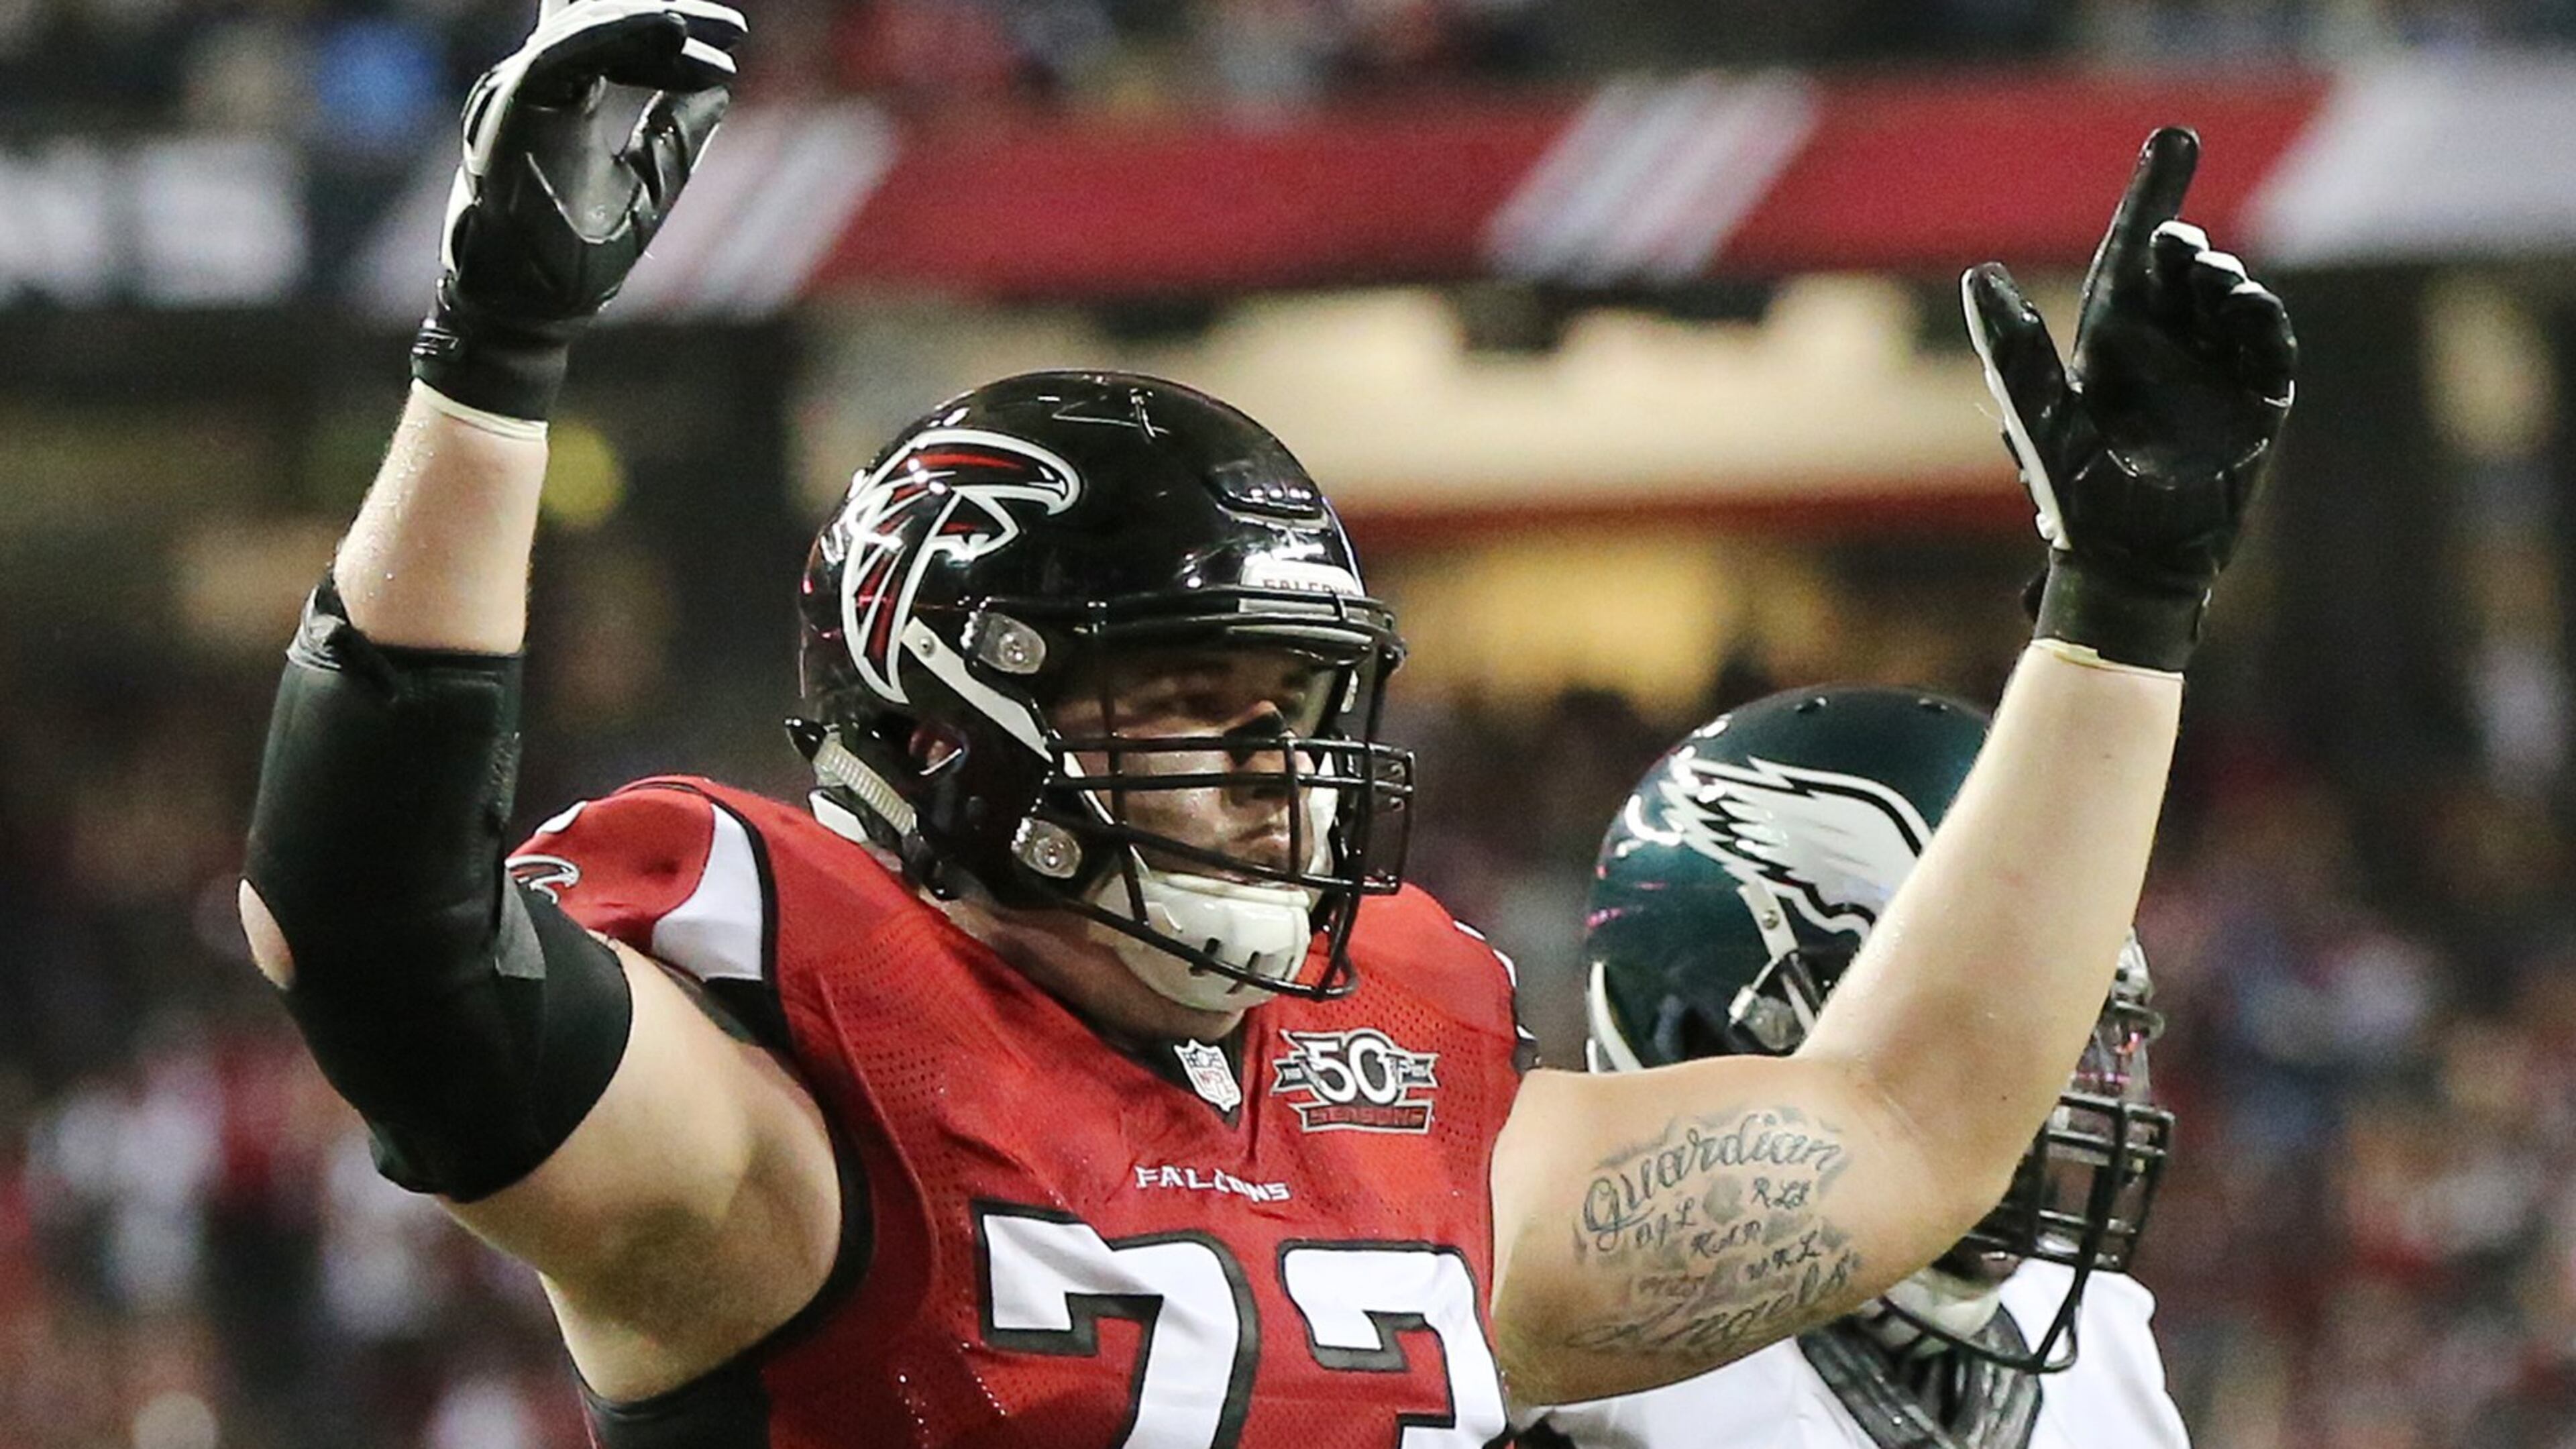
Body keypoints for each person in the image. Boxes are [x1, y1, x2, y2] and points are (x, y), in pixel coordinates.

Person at [233, 1, 2296, 1440]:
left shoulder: (1401, 1116)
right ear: (950, 725)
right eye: (1186, 703)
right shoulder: (794, 1106)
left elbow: (1912, 1129)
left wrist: (2116, 612)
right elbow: (381, 942)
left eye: (1291, 706)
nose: (1270, 771)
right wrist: (490, 364)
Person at [1521, 686, 2188, 1449]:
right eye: (1958, 1036)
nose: (2036, 1088)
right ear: (1706, 1036)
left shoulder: (2097, 1333)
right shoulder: (1606, 1370)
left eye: (2067, 1027)